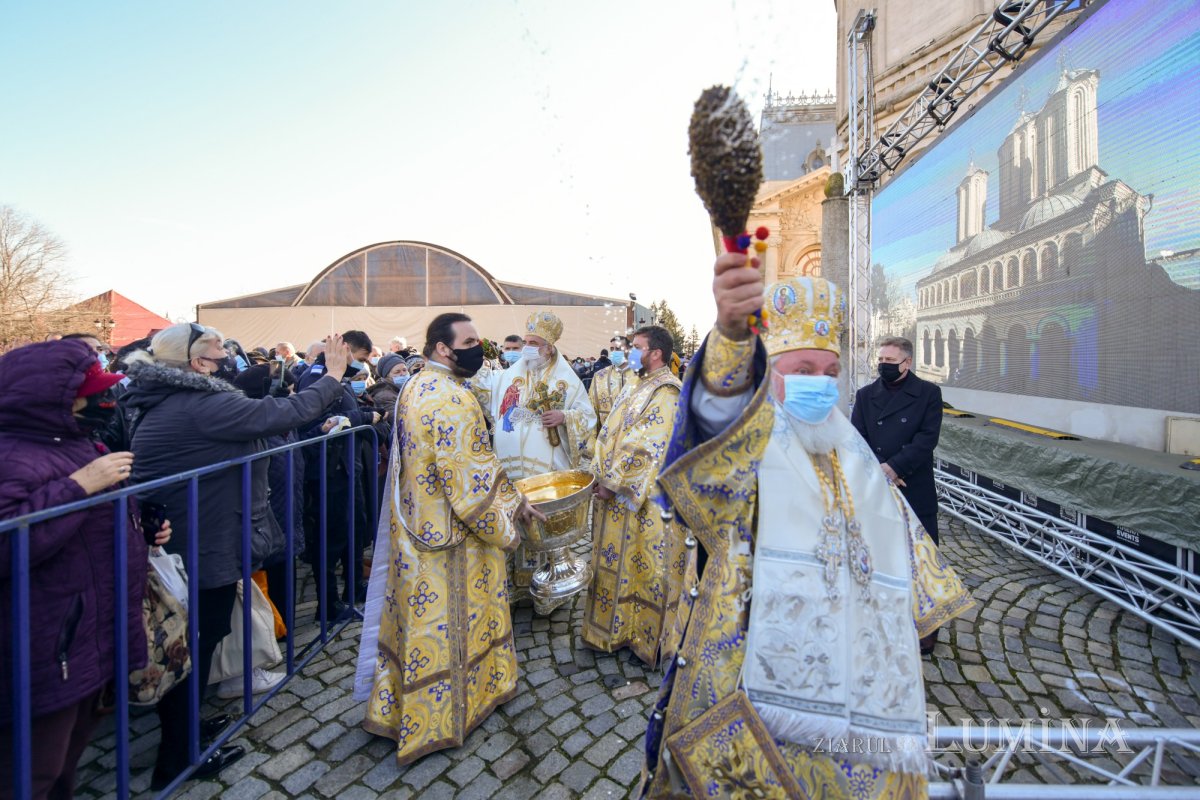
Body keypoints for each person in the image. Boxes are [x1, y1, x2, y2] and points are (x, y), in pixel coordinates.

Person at [639, 260, 974, 799]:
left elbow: (897, 537)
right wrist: (727, 337)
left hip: (859, 669)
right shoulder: (746, 446)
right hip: (752, 653)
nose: (818, 385)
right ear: (769, 372)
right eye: (801, 371)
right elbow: (699, 451)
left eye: (829, 373)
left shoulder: (851, 446)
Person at [122, 324, 352, 789]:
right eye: (217, 347)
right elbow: (285, 412)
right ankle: (178, 757)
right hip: (203, 539)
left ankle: (187, 729)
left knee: (201, 635)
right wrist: (332, 374)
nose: (227, 352)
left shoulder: (173, 398)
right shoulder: (203, 403)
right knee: (199, 639)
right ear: (196, 363)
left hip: (193, 534)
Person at [354, 312, 544, 765]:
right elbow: (472, 484)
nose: (480, 347)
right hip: (451, 542)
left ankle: (400, 707)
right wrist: (513, 512)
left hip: (415, 529)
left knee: (418, 626)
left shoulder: (416, 385)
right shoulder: (450, 399)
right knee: (448, 624)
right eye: (471, 340)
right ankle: (442, 715)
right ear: (444, 348)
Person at [0, 340, 164, 800]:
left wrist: (144, 527)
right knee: (33, 771)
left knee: (65, 761)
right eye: (91, 393)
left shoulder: (78, 442)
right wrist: (79, 486)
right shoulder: (12, 456)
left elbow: (89, 524)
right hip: (49, 642)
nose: (104, 402)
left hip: (86, 632)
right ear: (47, 399)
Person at [582, 326, 690, 668]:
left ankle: (646, 639)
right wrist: (598, 471)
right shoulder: (636, 384)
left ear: (655, 353)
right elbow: (611, 431)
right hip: (616, 494)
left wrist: (612, 482)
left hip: (647, 501)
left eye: (636, 348)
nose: (629, 354)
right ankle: (613, 632)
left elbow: (647, 445)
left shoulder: (668, 391)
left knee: (646, 568)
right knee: (620, 562)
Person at [473, 311, 597, 598]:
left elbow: (587, 417)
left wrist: (565, 417)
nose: (527, 347)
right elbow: (485, 389)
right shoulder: (510, 374)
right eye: (526, 341)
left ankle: (551, 584)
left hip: (547, 468)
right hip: (510, 467)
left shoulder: (566, 379)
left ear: (548, 347)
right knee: (514, 517)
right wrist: (477, 356)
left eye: (534, 342)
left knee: (543, 519)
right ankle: (515, 589)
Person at [851, 336, 945, 654]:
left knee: (921, 559)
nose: (883, 366)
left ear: (907, 363)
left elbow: (926, 439)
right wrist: (878, 470)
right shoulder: (865, 396)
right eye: (881, 360)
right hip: (876, 487)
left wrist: (895, 467)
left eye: (890, 361)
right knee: (880, 555)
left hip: (913, 487)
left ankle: (926, 626)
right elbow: (858, 436)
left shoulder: (929, 394)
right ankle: (880, 618)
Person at [588, 335, 634, 435]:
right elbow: (591, 410)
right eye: (611, 349)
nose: (614, 352)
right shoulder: (599, 377)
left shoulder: (640, 376)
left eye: (618, 348)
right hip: (606, 437)